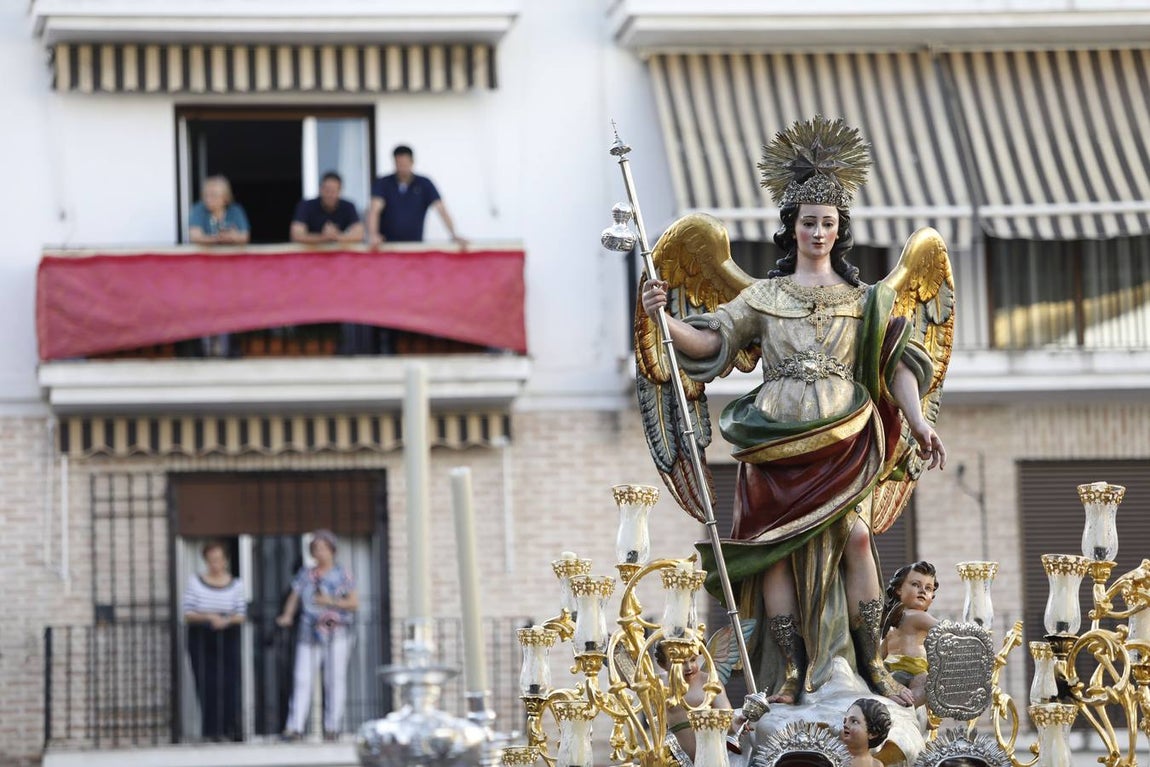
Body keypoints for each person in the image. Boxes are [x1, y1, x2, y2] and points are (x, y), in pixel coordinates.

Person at [640, 116, 947, 709]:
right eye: (809, 222)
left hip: (846, 439)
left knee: (857, 540)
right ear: (792, 228)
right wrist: (663, 318)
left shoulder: (867, 301)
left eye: (828, 223)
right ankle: (788, 670)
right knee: (773, 553)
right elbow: (711, 342)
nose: (818, 232)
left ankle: (869, 664)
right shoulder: (762, 296)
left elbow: (898, 366)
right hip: (775, 439)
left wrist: (918, 419)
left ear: (840, 230)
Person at [276, 529, 358, 740]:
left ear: (332, 550)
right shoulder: (306, 573)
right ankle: (295, 727)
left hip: (336, 633)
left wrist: (328, 602)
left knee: (334, 679)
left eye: (323, 548)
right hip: (308, 632)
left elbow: (353, 603)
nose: (320, 552)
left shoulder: (343, 574)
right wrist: (287, 615)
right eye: (316, 548)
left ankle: (332, 727)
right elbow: (294, 596)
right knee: (302, 678)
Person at [183, 540, 246, 741]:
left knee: (229, 683)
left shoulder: (236, 584)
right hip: (202, 636)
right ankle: (211, 731)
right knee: (207, 683)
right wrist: (210, 617)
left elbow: (241, 614)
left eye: (218, 559)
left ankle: (230, 729)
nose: (215, 564)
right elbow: (188, 613)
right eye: (211, 560)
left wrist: (226, 620)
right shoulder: (195, 582)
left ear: (225, 560)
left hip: (228, 636)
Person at [653, 641, 746, 760]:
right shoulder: (658, 684)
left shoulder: (710, 682)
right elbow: (630, 678)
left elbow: (726, 716)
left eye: (693, 660)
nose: (689, 668)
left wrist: (737, 721)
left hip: (712, 758)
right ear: (662, 664)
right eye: (680, 663)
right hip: (674, 759)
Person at [367, 145, 466, 247]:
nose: (402, 167)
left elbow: (441, 209)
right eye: (399, 164)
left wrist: (454, 234)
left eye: (405, 164)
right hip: (386, 246)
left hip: (415, 246)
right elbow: (374, 210)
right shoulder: (383, 183)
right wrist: (373, 235)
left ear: (412, 162)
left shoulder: (424, 183)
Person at [881, 562, 940, 707]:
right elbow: (946, 629)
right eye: (915, 584)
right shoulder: (906, 617)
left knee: (925, 683)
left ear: (932, 596)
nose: (922, 591)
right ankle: (906, 707)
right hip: (902, 671)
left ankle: (907, 707)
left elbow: (942, 629)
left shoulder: (907, 617)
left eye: (928, 588)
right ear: (899, 589)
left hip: (902, 670)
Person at [290, 172, 366, 244]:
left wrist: (337, 237)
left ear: (340, 191)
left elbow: (360, 234)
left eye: (333, 191)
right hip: (311, 255)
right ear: (320, 190)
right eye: (327, 191)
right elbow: (296, 235)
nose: (330, 195)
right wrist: (323, 237)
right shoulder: (306, 206)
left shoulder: (348, 206)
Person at [189, 176, 250, 245]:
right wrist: (217, 238)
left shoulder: (235, 210)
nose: (208, 199)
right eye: (206, 195)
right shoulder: (199, 209)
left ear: (225, 197)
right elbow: (194, 236)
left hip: (230, 254)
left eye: (213, 195)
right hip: (207, 254)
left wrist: (233, 236)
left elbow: (245, 237)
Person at [841, 698, 892, 767]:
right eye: (845, 721)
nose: (845, 725)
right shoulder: (832, 756)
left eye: (854, 721)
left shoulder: (876, 765)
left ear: (873, 733)